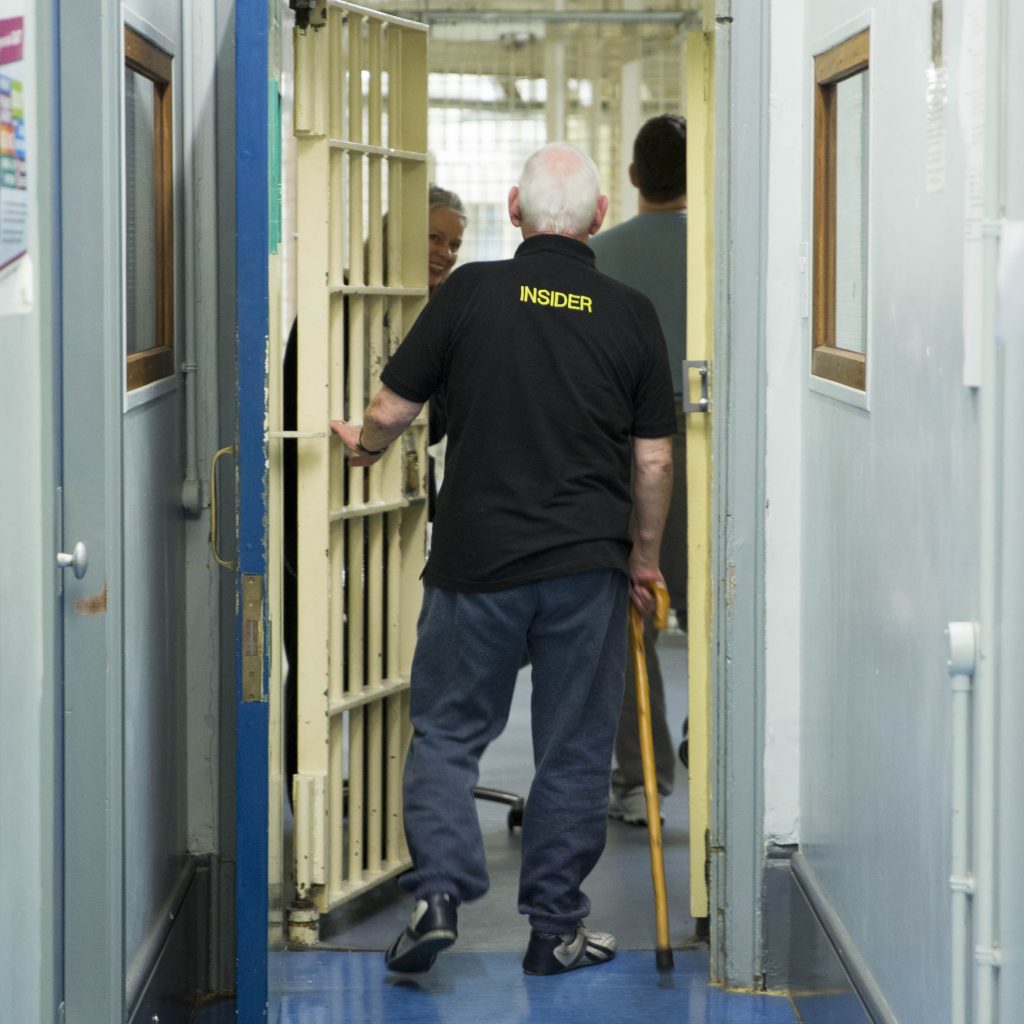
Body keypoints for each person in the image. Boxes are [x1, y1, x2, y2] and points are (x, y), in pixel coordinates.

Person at [329, 142, 675, 977]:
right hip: (585, 567)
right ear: (598, 218)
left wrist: (365, 446)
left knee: (447, 733)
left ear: (513, 210)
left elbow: (389, 408)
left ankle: (440, 892)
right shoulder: (631, 313)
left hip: (475, 562)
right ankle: (555, 929)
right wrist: (645, 559)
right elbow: (655, 461)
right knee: (574, 748)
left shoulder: (473, 291)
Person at [282, 186, 466, 796]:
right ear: (395, 236)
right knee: (314, 656)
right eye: (434, 238)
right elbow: (303, 403)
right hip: (319, 502)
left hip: (398, 511)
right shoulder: (339, 303)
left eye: (455, 243)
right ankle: (313, 808)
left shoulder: (439, 315)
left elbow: (439, 422)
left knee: (389, 659)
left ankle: (380, 812)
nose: (445, 253)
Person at [589, 114, 688, 827]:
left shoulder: (597, 256)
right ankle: (722, 763)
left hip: (627, 452)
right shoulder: (725, 249)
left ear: (632, 177)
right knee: (728, 616)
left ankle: (640, 782)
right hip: (718, 450)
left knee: (632, 616)